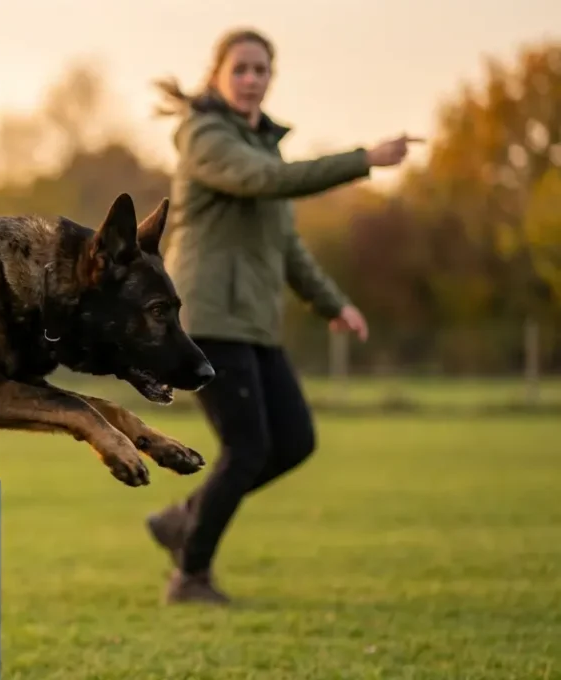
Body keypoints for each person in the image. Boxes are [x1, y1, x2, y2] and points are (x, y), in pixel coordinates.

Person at [143, 27, 418, 605]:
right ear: (217, 74)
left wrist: (332, 302)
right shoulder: (204, 137)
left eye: (261, 70)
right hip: (208, 317)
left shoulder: (264, 146)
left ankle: (183, 519)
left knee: (293, 440)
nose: (251, 79)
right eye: (240, 68)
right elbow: (267, 180)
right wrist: (363, 160)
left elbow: (287, 244)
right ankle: (189, 575)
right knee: (247, 448)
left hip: (254, 320)